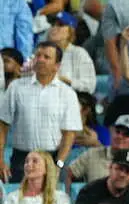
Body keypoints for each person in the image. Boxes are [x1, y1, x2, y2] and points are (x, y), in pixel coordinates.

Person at [0, 42, 81, 182]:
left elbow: (69, 134)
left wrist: (59, 164)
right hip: (21, 159)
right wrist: (0, 159)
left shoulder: (67, 93)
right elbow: (2, 126)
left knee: (53, 202)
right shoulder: (16, 88)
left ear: (57, 65)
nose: (40, 59)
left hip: (52, 159)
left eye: (46, 57)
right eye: (37, 55)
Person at [66, 114, 129, 190]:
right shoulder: (91, 154)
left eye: (126, 134)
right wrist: (68, 199)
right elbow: (69, 173)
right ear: (111, 132)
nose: (120, 136)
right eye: (117, 132)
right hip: (95, 203)